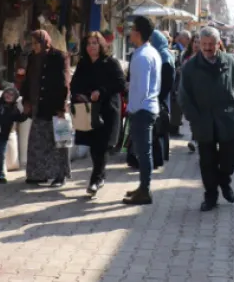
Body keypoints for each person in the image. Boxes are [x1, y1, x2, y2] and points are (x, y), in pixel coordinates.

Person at [179, 26, 234, 212]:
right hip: (204, 122)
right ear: (199, 44)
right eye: (204, 44)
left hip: (228, 120)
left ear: (219, 44)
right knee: (207, 162)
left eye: (211, 44)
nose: (208, 48)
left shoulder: (231, 62)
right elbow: (184, 97)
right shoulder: (190, 67)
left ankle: (224, 181)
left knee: (228, 159)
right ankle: (211, 196)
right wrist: (194, 118)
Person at [71, 32, 127, 195]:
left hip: (107, 110)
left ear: (101, 45)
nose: (91, 46)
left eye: (95, 43)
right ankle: (100, 175)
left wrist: (101, 92)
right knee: (94, 147)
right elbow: (75, 84)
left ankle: (95, 179)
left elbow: (120, 84)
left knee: (101, 146)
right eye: (88, 43)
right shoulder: (83, 64)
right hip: (88, 111)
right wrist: (79, 94)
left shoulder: (110, 63)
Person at [23, 29, 71, 187]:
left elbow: (64, 82)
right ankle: (38, 174)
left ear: (45, 42)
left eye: (37, 43)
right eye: (33, 43)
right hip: (39, 105)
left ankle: (61, 175)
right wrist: (26, 100)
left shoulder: (59, 57)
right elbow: (28, 79)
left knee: (60, 142)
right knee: (37, 142)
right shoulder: (33, 58)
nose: (34, 46)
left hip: (56, 106)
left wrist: (62, 106)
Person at [124, 16, 162, 205]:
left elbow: (143, 89)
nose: (129, 32)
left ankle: (145, 190)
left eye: (132, 29)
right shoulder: (148, 52)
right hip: (147, 108)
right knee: (142, 152)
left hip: (142, 110)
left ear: (138, 33)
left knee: (143, 152)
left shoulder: (143, 56)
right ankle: (142, 186)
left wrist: (134, 108)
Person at [150, 30, 175, 166]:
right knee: (161, 129)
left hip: (161, 98)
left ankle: (158, 157)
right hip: (163, 99)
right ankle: (161, 156)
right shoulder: (165, 54)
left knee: (158, 129)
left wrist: (158, 98)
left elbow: (167, 81)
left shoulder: (163, 57)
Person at [170, 31, 192, 138]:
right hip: (176, 82)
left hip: (179, 81)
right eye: (187, 39)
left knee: (178, 108)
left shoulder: (182, 49)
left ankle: (175, 127)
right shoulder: (177, 49)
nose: (188, 41)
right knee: (176, 107)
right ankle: (174, 129)